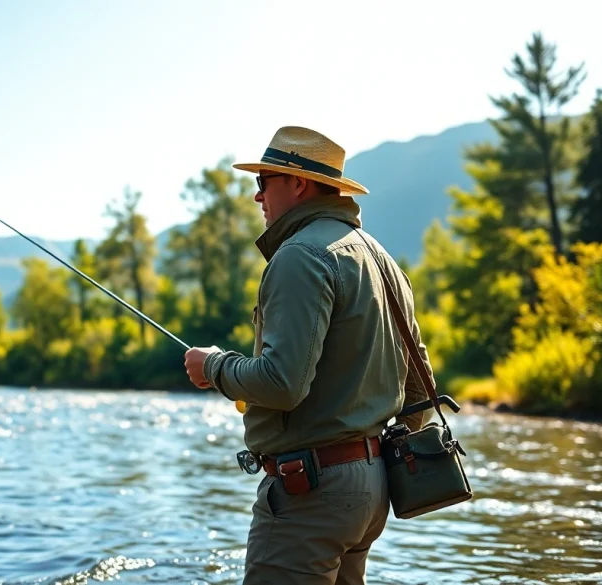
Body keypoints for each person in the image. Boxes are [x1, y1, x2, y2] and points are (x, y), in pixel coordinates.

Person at [183, 126, 433, 585]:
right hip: (372, 489)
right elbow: (418, 387)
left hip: (312, 491)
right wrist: (367, 456)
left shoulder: (300, 254)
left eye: (265, 182)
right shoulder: (380, 258)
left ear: (298, 183)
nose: (258, 197)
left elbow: (282, 384)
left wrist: (214, 367)